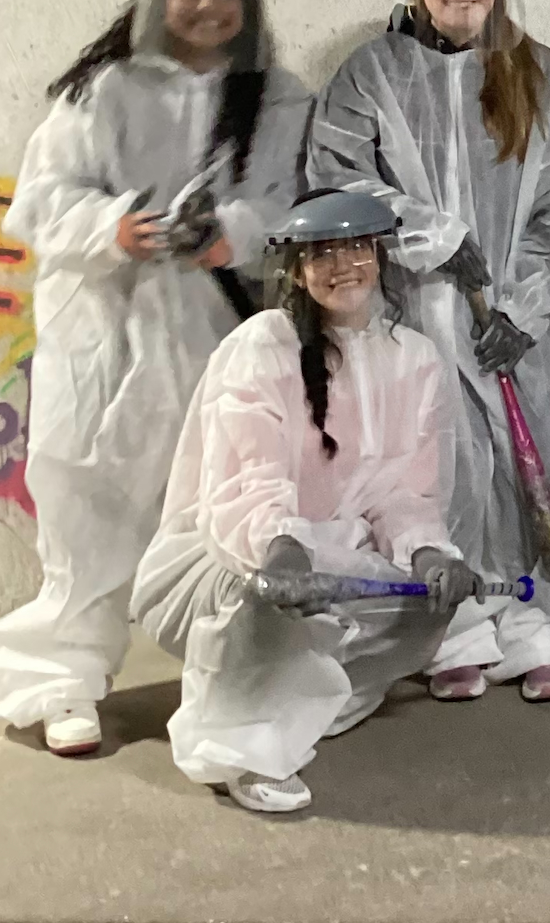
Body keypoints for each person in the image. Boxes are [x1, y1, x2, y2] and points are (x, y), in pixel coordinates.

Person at [0, 0, 307, 758]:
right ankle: (63, 681)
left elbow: (289, 205)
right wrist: (117, 227)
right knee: (86, 512)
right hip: (106, 343)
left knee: (216, 513)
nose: (208, 8)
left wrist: (230, 234)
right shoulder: (103, 90)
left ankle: (223, 682)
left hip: (211, 342)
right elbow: (42, 200)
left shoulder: (279, 98)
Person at [307, 0, 550, 704]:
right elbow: (335, 181)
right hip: (417, 315)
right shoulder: (370, 75)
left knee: (528, 466)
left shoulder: (542, 73)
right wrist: (432, 235)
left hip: (517, 331)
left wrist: (527, 310)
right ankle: (457, 629)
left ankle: (540, 623)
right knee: (435, 472)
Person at [132, 191, 480, 814]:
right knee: (266, 601)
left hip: (337, 561)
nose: (342, 264)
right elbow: (246, 479)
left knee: (430, 601)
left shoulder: (417, 358)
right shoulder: (261, 344)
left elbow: (405, 492)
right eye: (321, 252)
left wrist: (430, 552)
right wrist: (283, 554)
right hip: (239, 554)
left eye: (355, 247)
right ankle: (247, 744)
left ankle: (317, 696)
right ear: (295, 267)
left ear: (378, 253)